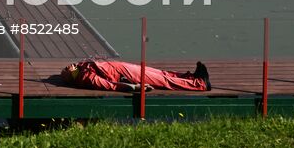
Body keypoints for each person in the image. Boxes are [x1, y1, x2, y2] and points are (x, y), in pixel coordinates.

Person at [60, 58, 210, 92]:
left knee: (161, 73)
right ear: (70, 78)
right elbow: (110, 85)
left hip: (125, 68)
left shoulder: (81, 67)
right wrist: (134, 87)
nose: (66, 67)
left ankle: (190, 77)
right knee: (162, 80)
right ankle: (200, 84)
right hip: (126, 76)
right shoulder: (86, 78)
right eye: (66, 71)